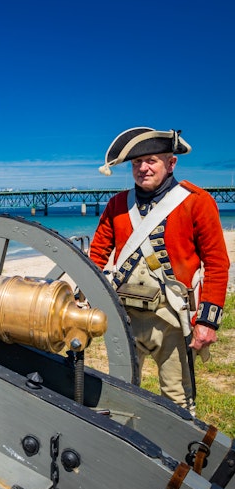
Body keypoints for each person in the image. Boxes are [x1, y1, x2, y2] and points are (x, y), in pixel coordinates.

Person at [90, 127, 229, 412]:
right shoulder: (117, 204)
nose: (143, 168)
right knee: (121, 392)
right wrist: (85, 295)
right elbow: (97, 254)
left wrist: (207, 321)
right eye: (136, 163)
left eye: (151, 160)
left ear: (171, 163)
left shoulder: (196, 202)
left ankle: (181, 455)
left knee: (177, 400)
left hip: (173, 319)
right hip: (124, 315)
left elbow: (216, 263)